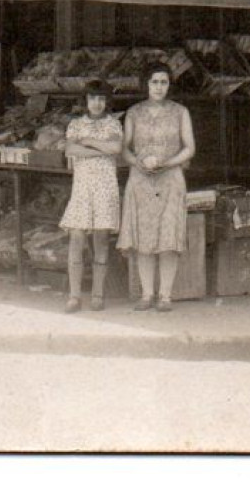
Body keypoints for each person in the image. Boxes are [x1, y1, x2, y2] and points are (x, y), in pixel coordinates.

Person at [117, 62, 195, 312]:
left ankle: (165, 296)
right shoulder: (133, 112)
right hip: (141, 179)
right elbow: (124, 149)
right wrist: (139, 162)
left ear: (169, 85)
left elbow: (190, 148)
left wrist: (167, 163)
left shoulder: (180, 112)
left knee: (168, 237)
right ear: (146, 84)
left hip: (171, 178)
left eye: (163, 82)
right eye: (154, 82)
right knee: (143, 237)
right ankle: (147, 294)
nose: (159, 87)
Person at [58, 79, 123, 313]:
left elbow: (116, 149)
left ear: (107, 101)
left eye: (101, 98)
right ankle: (74, 296)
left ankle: (97, 294)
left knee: (101, 240)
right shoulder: (76, 124)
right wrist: (100, 148)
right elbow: (70, 150)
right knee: (76, 238)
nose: (97, 103)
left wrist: (87, 141)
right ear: (86, 101)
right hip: (82, 188)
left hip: (105, 188)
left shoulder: (114, 124)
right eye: (92, 98)